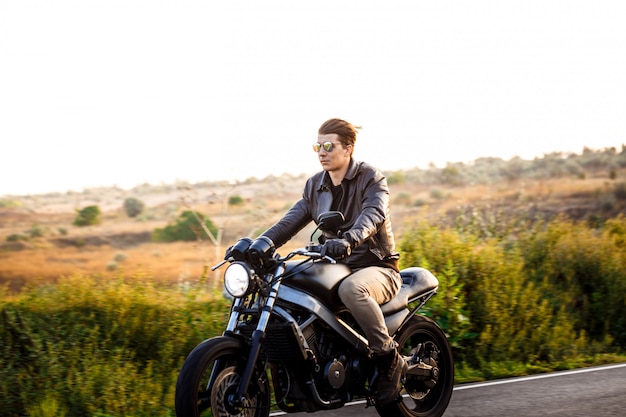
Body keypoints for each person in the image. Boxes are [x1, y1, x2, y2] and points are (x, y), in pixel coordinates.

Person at [253, 118, 407, 405]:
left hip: (376, 267)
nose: (321, 152)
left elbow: (373, 215)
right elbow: (291, 221)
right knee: (286, 284)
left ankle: (388, 358)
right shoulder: (316, 186)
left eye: (328, 146)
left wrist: (348, 240)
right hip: (337, 266)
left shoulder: (371, 178)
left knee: (352, 290)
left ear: (348, 148)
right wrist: (259, 244)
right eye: (317, 146)